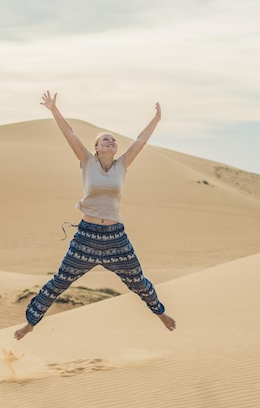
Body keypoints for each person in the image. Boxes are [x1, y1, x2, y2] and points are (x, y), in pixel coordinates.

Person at [14, 91, 176, 340]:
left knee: (138, 282)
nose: (111, 142)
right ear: (97, 147)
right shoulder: (86, 161)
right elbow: (69, 133)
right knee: (59, 282)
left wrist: (156, 119)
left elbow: (141, 140)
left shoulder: (122, 165)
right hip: (86, 238)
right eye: (105, 140)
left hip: (115, 239)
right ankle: (30, 323)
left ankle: (160, 314)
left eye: (113, 140)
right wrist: (54, 110)